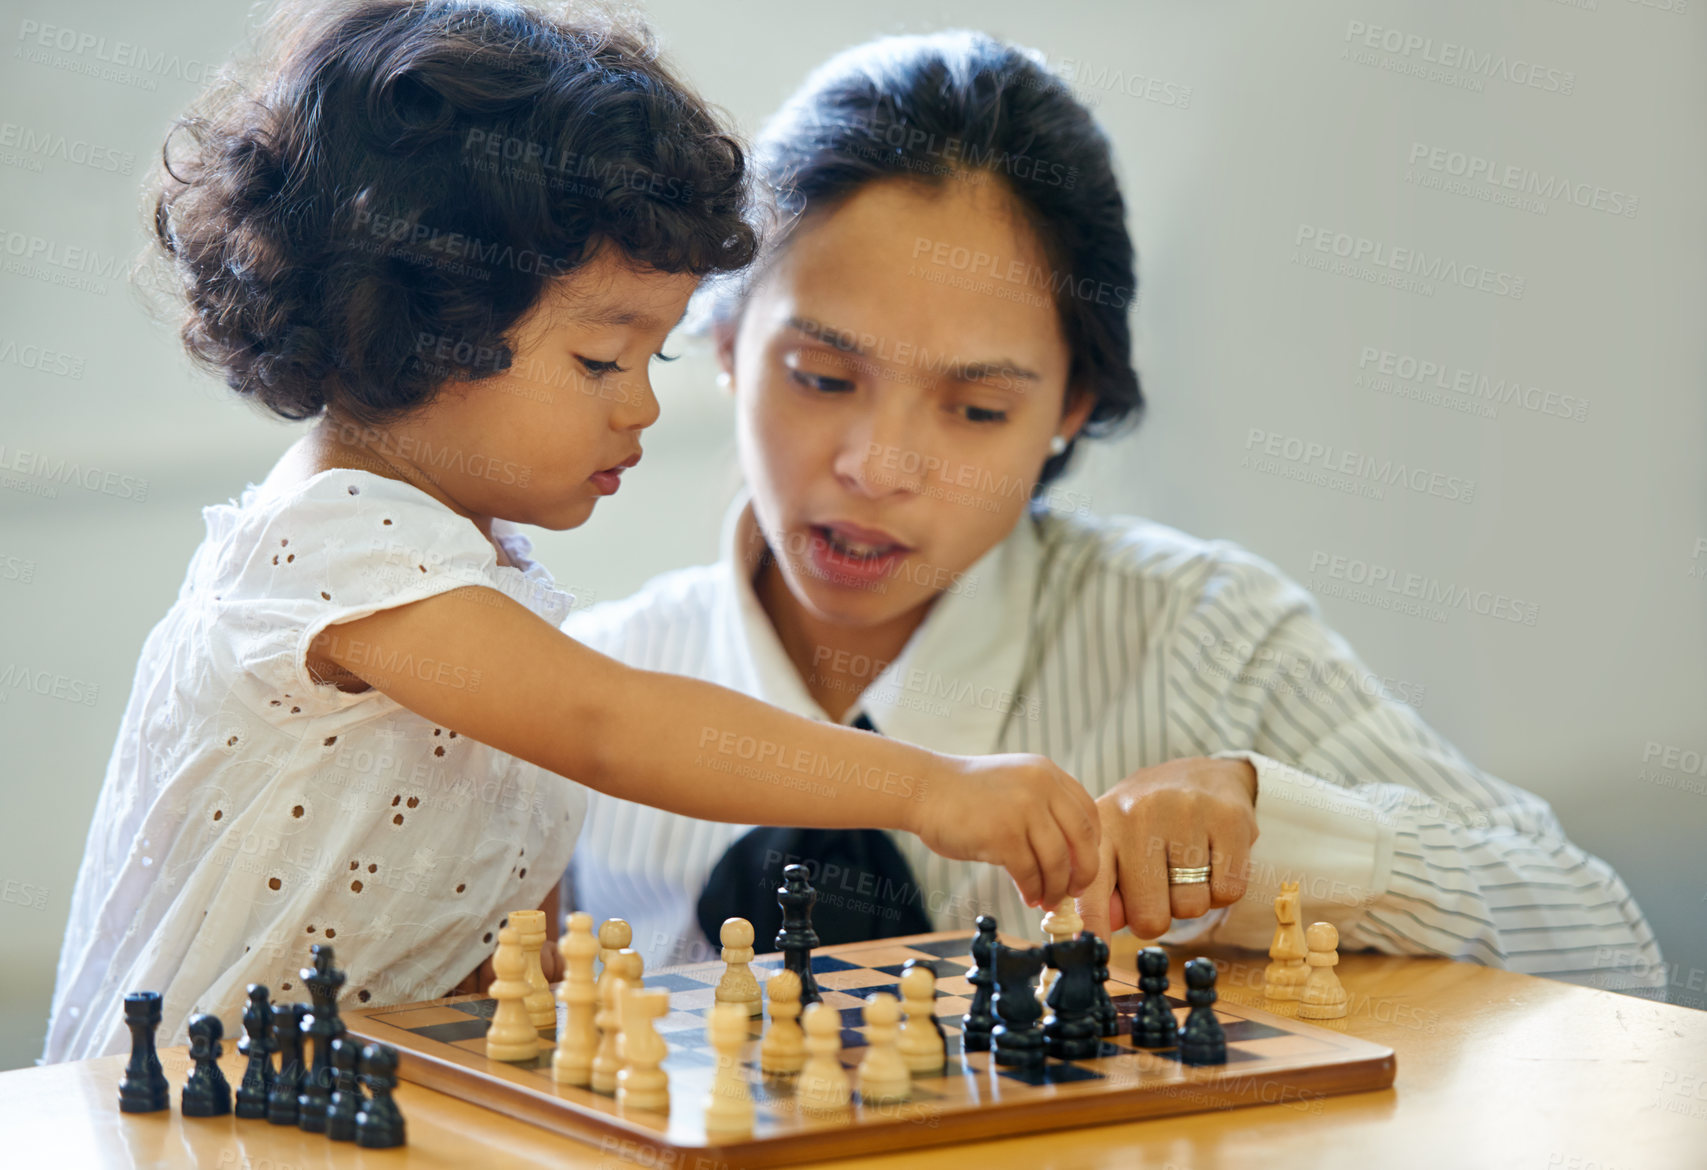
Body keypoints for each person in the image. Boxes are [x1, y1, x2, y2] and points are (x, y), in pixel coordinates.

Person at [41, 3, 1101, 1064]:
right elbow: (608, 726)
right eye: (601, 361)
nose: (639, 407)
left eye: (656, 360)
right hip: (199, 1102)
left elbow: (501, 875)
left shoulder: (480, 569)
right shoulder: (330, 547)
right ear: (418, 327)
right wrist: (928, 787)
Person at [565, 30, 1665, 996]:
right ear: (724, 342)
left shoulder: (1201, 638)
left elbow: (1607, 942)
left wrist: (1275, 828)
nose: (880, 465)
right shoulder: (574, 690)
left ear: (1071, 410)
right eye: (821, 377)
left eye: (978, 407)